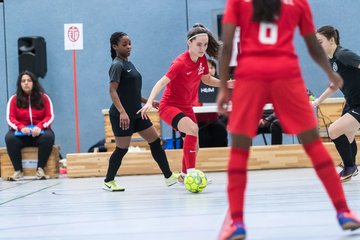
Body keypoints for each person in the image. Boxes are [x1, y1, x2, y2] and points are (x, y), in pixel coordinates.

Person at [217, 0, 360, 239]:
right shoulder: (297, 3)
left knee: (240, 150)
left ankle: (237, 223)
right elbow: (312, 47)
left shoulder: (238, 3)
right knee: (314, 145)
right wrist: (330, 73)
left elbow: (228, 45)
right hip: (286, 73)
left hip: (251, 74)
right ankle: (343, 212)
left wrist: (223, 86)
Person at [138, 24, 230, 181]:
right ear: (190, 42)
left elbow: (206, 79)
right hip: (169, 106)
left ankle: (183, 174)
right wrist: (149, 102)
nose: (203, 48)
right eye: (199, 44)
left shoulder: (202, 59)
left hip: (186, 107)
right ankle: (192, 174)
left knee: (195, 145)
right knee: (193, 129)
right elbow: (161, 82)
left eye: (205, 44)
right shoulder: (180, 63)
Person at [104, 32, 179, 191]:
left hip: (138, 113)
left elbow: (132, 93)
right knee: (122, 149)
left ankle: (168, 176)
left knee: (155, 141)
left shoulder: (129, 64)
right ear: (115, 46)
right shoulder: (117, 65)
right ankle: (109, 181)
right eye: (124, 44)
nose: (129, 47)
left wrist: (149, 102)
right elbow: (112, 91)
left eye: (130, 43)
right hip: (122, 116)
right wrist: (123, 112)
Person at [313, 25, 360, 182]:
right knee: (348, 134)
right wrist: (318, 101)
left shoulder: (343, 54)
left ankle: (349, 167)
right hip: (352, 103)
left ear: (331, 40)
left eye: (320, 42)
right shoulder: (332, 60)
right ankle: (351, 165)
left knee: (334, 130)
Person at [5, 71, 55, 181]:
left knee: (49, 137)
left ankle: (40, 169)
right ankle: (18, 171)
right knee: (9, 138)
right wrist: (21, 127)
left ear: (34, 83)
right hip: (21, 134)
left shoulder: (44, 98)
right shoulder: (13, 99)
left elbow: (49, 116)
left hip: (39, 134)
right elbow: (10, 118)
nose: (26, 83)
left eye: (29, 80)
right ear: (20, 84)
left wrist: (40, 126)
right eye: (23, 81)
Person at [194, 58, 228, 148]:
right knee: (204, 137)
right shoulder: (195, 84)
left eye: (212, 67)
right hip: (198, 120)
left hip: (214, 119)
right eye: (206, 68)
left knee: (221, 131)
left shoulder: (219, 85)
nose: (209, 70)